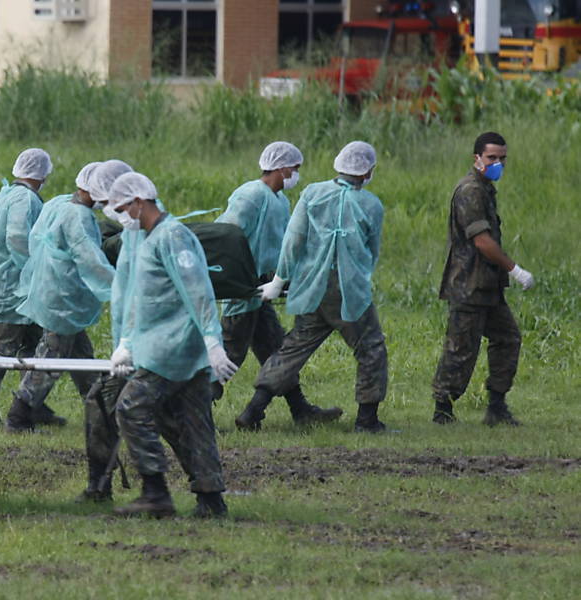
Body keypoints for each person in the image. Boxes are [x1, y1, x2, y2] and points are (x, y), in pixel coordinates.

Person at [108, 172, 237, 518]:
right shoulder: (148, 239)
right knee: (193, 422)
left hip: (174, 348)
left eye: (122, 208)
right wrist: (127, 343)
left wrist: (213, 341)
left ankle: (155, 492)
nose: (121, 216)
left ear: (139, 202)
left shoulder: (173, 237)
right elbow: (141, 298)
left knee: (130, 408)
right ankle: (211, 500)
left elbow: (198, 291)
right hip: (164, 346)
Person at [240, 141, 389, 433]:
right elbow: (372, 252)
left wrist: (279, 281)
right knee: (370, 348)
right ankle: (367, 420)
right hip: (348, 292)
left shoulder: (312, 193)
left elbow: (293, 241)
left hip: (310, 287)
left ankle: (253, 411)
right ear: (367, 170)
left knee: (293, 348)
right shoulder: (371, 204)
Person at [215, 141, 343, 430]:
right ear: (281, 167)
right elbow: (226, 235)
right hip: (244, 287)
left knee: (275, 349)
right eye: (295, 169)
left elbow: (283, 245)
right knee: (230, 354)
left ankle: (299, 410)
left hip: (263, 287)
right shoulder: (250, 196)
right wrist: (234, 279)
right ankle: (189, 411)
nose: (296, 174)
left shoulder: (281, 202)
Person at [431, 132, 533, 426]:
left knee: (507, 338)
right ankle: (442, 411)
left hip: (487, 284)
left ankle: (497, 406)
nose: (498, 163)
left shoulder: (485, 188)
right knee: (461, 348)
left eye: (502, 158)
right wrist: (514, 269)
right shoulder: (470, 191)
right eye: (492, 158)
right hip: (469, 285)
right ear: (477, 158)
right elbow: (482, 241)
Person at [5, 162, 116, 431]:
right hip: (64, 299)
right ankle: (19, 415)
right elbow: (90, 259)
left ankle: (103, 410)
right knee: (50, 359)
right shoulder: (78, 217)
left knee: (81, 356)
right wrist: (122, 285)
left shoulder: (57, 203)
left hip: (51, 289)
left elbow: (35, 238)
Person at [0, 148, 57, 426]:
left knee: (34, 345)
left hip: (7, 287)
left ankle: (31, 404)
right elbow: (17, 236)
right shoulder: (25, 200)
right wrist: (33, 267)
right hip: (10, 291)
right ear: (42, 175)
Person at [75, 160, 137, 501]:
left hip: (157, 348)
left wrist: (130, 343)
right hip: (138, 345)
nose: (105, 210)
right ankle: (99, 487)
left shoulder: (153, 236)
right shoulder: (133, 234)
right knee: (102, 403)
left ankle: (204, 492)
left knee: (142, 414)